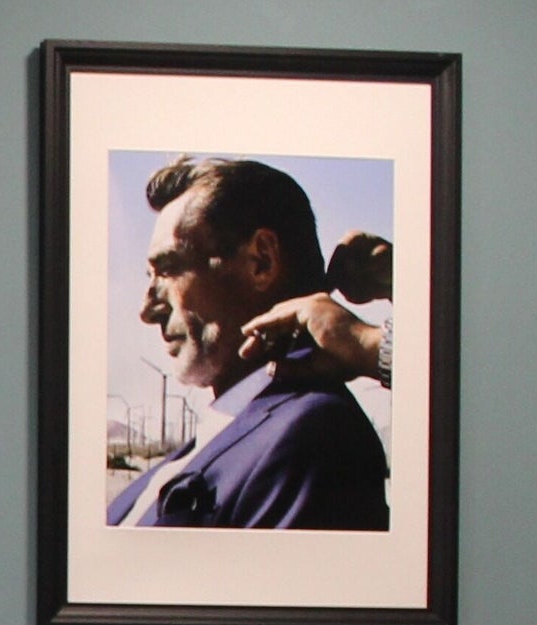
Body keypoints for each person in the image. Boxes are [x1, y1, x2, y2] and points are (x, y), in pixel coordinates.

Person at [107, 157, 388, 531]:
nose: (147, 309)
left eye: (169, 269)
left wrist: (367, 343)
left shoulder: (312, 435)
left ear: (261, 261)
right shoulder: (226, 431)